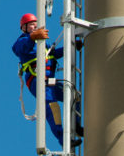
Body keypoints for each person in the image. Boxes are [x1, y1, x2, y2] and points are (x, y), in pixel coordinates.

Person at [12, 13, 82, 147]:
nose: (34, 26)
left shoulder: (43, 43)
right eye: (31, 24)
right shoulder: (22, 41)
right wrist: (32, 37)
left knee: (74, 96)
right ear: (24, 28)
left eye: (35, 24)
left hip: (50, 81)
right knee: (52, 107)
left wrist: (72, 46)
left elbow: (54, 53)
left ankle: (76, 126)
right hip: (37, 81)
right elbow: (19, 49)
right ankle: (64, 140)